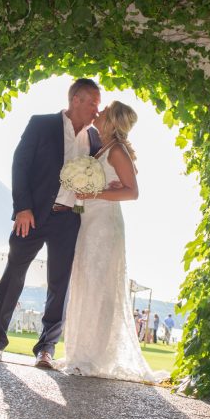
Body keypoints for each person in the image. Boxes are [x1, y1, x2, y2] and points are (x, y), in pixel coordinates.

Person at [0, 78, 102, 368]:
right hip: (32, 216)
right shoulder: (41, 124)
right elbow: (20, 164)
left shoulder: (95, 138)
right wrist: (22, 208)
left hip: (69, 219)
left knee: (60, 284)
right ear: (76, 100)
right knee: (13, 275)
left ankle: (46, 348)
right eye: (93, 103)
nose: (96, 110)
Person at [63, 102, 167, 383]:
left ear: (112, 120)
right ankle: (80, 353)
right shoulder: (104, 148)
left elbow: (132, 192)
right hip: (89, 222)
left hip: (104, 225)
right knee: (87, 282)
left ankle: (94, 357)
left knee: (100, 287)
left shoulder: (117, 150)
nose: (98, 112)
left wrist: (93, 194)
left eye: (104, 111)